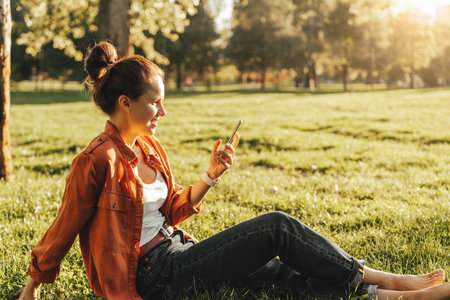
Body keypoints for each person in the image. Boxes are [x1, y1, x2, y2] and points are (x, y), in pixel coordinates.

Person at [20, 42, 449, 300]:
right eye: (155, 102)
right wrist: (34, 285)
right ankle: (389, 279)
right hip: (151, 276)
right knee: (275, 228)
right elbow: (64, 226)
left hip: (177, 251)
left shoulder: (148, 148)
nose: (163, 112)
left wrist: (208, 177)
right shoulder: (95, 161)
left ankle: (390, 296)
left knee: (279, 276)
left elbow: (167, 210)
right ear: (126, 103)